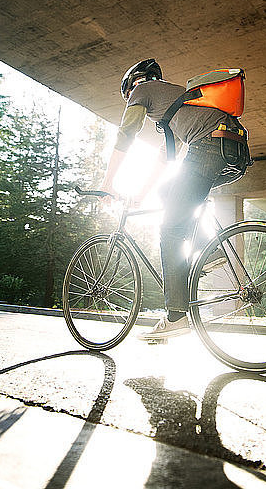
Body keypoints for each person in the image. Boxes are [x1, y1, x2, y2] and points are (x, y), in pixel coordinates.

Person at [99, 59, 249, 341]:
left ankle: (176, 316)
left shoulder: (143, 90)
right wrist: (141, 194)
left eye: (129, 96)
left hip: (209, 146)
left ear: (134, 86)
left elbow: (126, 135)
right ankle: (211, 251)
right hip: (235, 150)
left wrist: (108, 184)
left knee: (170, 230)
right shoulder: (178, 105)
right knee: (168, 192)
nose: (131, 100)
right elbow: (165, 160)